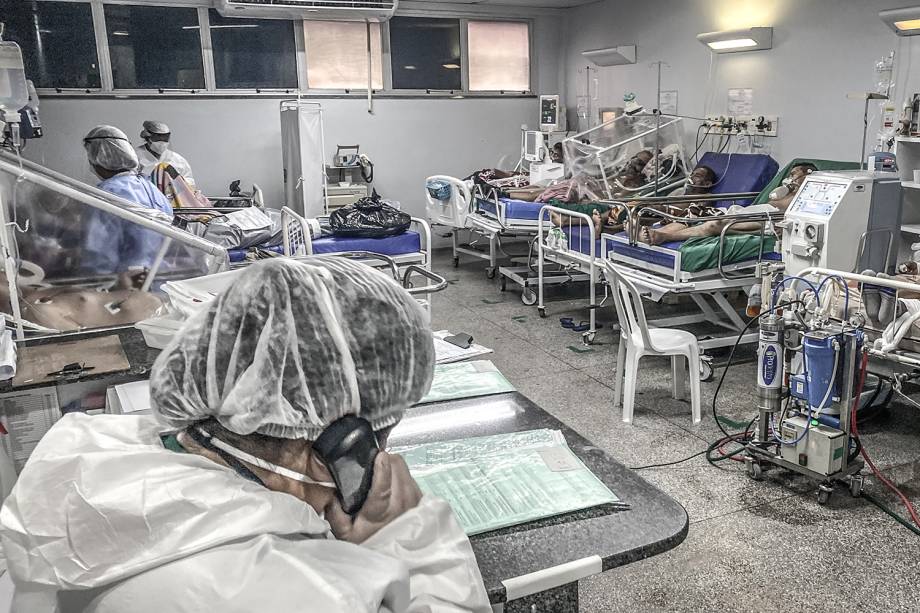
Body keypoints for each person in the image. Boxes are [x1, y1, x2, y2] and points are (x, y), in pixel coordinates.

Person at [0, 257, 491, 613]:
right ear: (339, 450)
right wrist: (409, 534)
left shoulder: (97, 455)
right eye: (383, 440)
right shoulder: (298, 591)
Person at [637, 162, 817, 246]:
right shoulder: (785, 192)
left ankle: (664, 237)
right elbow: (773, 200)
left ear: (807, 176)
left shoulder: (808, 195)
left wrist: (797, 187)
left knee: (713, 225)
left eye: (794, 174)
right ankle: (656, 233)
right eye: (790, 174)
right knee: (695, 212)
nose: (789, 177)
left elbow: (782, 208)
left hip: (767, 219)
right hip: (749, 212)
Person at [82, 125, 174, 288]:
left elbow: (99, 255)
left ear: (98, 159)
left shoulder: (105, 194)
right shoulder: (150, 188)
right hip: (160, 279)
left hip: (126, 284)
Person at [136, 120, 196, 187]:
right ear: (148, 138)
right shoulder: (135, 157)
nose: (162, 142)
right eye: (157, 138)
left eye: (165, 138)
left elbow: (190, 183)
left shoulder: (178, 160)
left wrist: (175, 182)